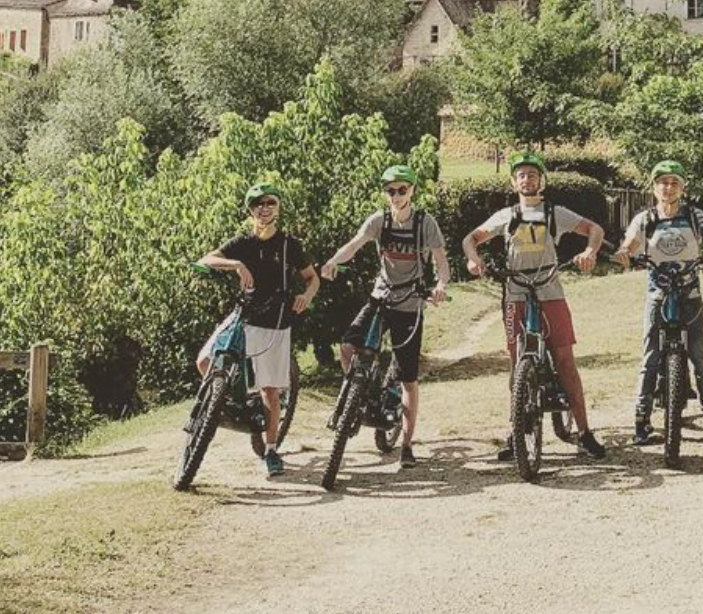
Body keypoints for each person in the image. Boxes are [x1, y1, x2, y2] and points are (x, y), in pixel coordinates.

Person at [463, 151, 608, 461]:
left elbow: (594, 229)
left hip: (550, 291)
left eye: (532, 174)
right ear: (514, 182)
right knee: (517, 363)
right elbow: (471, 239)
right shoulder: (506, 216)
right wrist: (474, 260)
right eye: (521, 175)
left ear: (542, 181)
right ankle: (515, 430)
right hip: (515, 291)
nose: (526, 179)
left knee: (565, 359)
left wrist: (589, 252)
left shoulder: (555, 212)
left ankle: (584, 432)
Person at [320, 165, 450, 469]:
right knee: (348, 348)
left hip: (410, 303)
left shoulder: (425, 223)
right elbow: (354, 245)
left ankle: (406, 445)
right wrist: (331, 262)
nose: (396, 195)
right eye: (391, 190)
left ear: (412, 191)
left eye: (402, 190)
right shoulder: (379, 220)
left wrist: (441, 284)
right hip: (381, 297)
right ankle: (362, 392)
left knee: (408, 379)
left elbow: (442, 261)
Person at [196, 180, 319, 479]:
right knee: (204, 361)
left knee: (270, 392)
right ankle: (225, 402)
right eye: (258, 204)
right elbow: (206, 259)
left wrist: (306, 296)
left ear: (278, 208)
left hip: (275, 321)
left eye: (270, 203)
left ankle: (271, 450)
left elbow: (312, 278)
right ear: (250, 210)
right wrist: (237, 264)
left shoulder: (290, 245)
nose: (264, 209)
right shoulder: (243, 244)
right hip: (244, 315)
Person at [613, 159, 703, 445]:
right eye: (663, 182)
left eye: (674, 182)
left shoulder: (695, 216)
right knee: (650, 357)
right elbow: (629, 243)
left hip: (690, 292)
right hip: (658, 294)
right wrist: (624, 253)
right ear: (654, 187)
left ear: (682, 187)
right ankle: (641, 420)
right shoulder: (644, 219)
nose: (668, 187)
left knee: (700, 357)